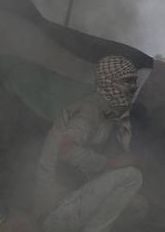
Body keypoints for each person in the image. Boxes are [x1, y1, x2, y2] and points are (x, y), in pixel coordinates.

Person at [34, 56, 149, 232]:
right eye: (126, 82)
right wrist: (114, 163)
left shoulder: (107, 113)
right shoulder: (90, 110)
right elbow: (66, 151)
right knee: (132, 176)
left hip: (73, 202)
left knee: (138, 205)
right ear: (108, 83)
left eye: (134, 82)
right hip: (58, 208)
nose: (132, 88)